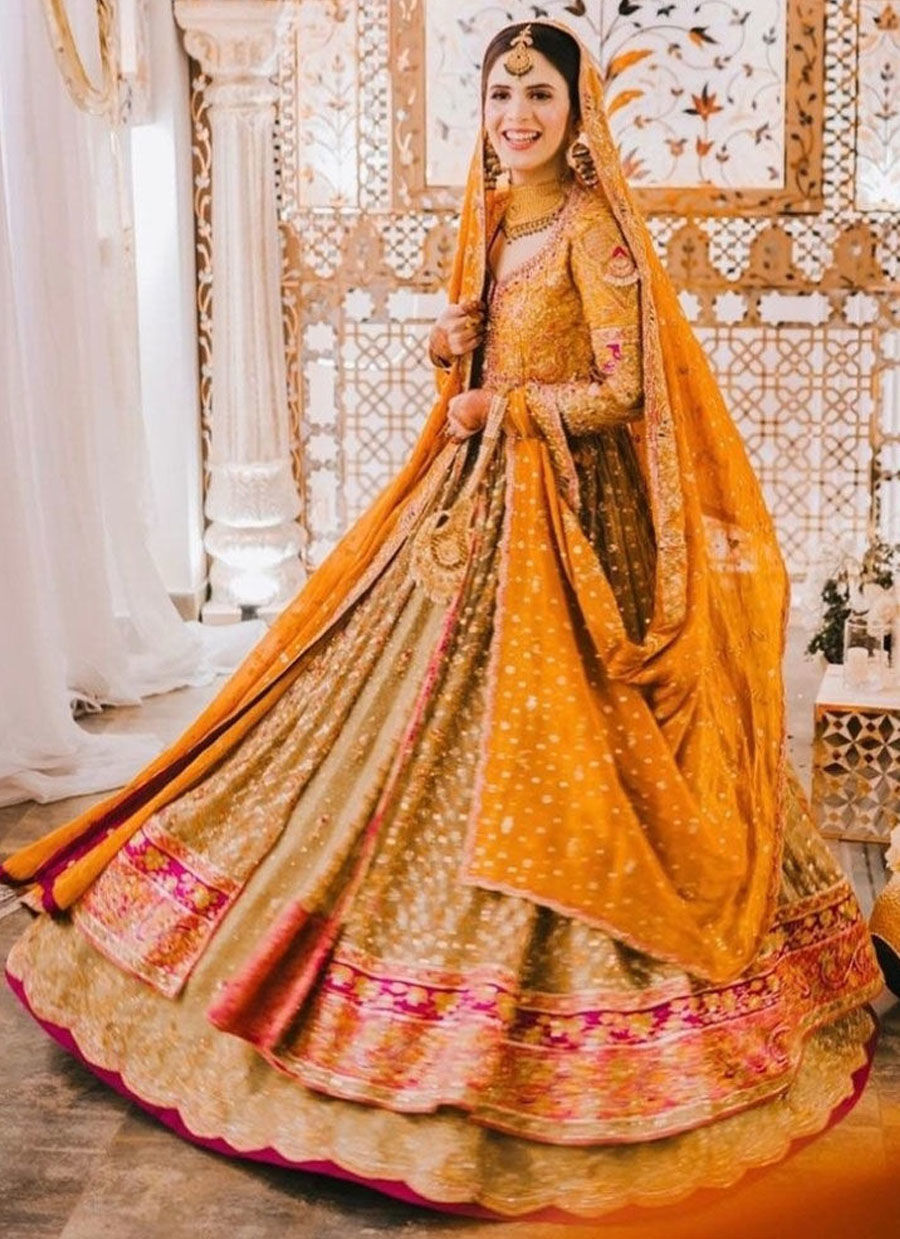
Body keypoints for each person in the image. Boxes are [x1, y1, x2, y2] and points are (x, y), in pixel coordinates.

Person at [1, 20, 884, 1221]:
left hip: (564, 526)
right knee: (370, 699)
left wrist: (499, 409)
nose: (517, 114)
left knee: (554, 733)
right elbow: (495, 350)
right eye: (500, 92)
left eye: (539, 94)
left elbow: (625, 393)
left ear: (577, 113)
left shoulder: (593, 232)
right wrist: (447, 354)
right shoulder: (498, 216)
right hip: (475, 504)